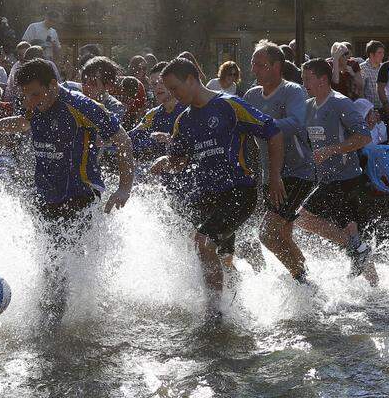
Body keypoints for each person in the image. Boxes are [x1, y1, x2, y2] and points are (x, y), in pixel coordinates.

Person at [0, 58, 134, 324]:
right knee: (51, 261)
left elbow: (123, 140)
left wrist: (124, 188)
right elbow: (20, 123)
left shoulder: (80, 106)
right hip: (47, 196)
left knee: (57, 260)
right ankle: (60, 313)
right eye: (25, 95)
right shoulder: (34, 106)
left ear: (53, 84)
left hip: (81, 194)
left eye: (35, 94)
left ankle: (54, 325)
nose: (30, 101)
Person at [156, 58, 283, 317]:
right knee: (219, 256)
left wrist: (274, 177)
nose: (172, 95)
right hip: (208, 197)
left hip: (239, 192)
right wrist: (166, 163)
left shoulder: (229, 105)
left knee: (203, 242)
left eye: (174, 88)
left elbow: (274, 132)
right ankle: (240, 304)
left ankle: (215, 314)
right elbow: (179, 161)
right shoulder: (184, 120)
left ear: (191, 79)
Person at [259, 57, 376, 287]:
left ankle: (356, 249)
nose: (304, 83)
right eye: (302, 79)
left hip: (345, 179)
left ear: (323, 79)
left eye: (307, 79)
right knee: (352, 232)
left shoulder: (341, 103)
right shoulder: (309, 106)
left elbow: (364, 137)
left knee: (303, 219)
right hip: (324, 178)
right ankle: (378, 291)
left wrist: (332, 149)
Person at [243, 41, 313, 275]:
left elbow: (295, 123)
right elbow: (240, 127)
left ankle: (303, 281)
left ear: (276, 66)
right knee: (282, 233)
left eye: (260, 65)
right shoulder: (251, 95)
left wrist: (263, 126)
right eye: (253, 65)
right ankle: (308, 281)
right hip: (269, 174)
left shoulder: (292, 90)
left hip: (297, 172)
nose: (254, 70)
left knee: (268, 234)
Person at [358, 41, 385, 106]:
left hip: (385, 107)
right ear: (371, 54)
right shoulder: (362, 68)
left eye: (383, 53)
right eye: (379, 53)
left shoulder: (384, 67)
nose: (382, 55)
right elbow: (360, 91)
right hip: (370, 109)